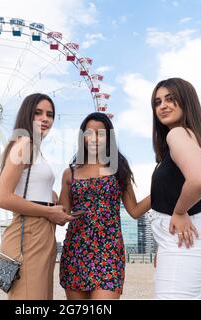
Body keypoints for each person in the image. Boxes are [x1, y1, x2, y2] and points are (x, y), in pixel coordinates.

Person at [148, 78, 201, 299]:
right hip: (184, 240)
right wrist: (163, 244)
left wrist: (180, 211)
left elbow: (200, 179)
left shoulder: (178, 134)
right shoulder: (187, 138)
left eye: (170, 99)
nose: (162, 106)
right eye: (157, 102)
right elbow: (164, 194)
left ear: (187, 101)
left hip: (188, 239)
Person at [59, 112, 150, 299]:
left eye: (100, 133)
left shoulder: (119, 170)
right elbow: (62, 216)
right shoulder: (70, 173)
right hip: (76, 250)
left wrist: (160, 190)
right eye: (88, 133)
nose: (94, 139)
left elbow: (134, 210)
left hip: (109, 251)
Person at [0, 93, 74, 300]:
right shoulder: (25, 144)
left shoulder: (34, 148)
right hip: (29, 230)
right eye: (38, 113)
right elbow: (2, 197)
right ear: (26, 115)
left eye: (50, 114)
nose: (45, 118)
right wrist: (49, 211)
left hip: (41, 230)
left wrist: (52, 196)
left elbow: (27, 190)